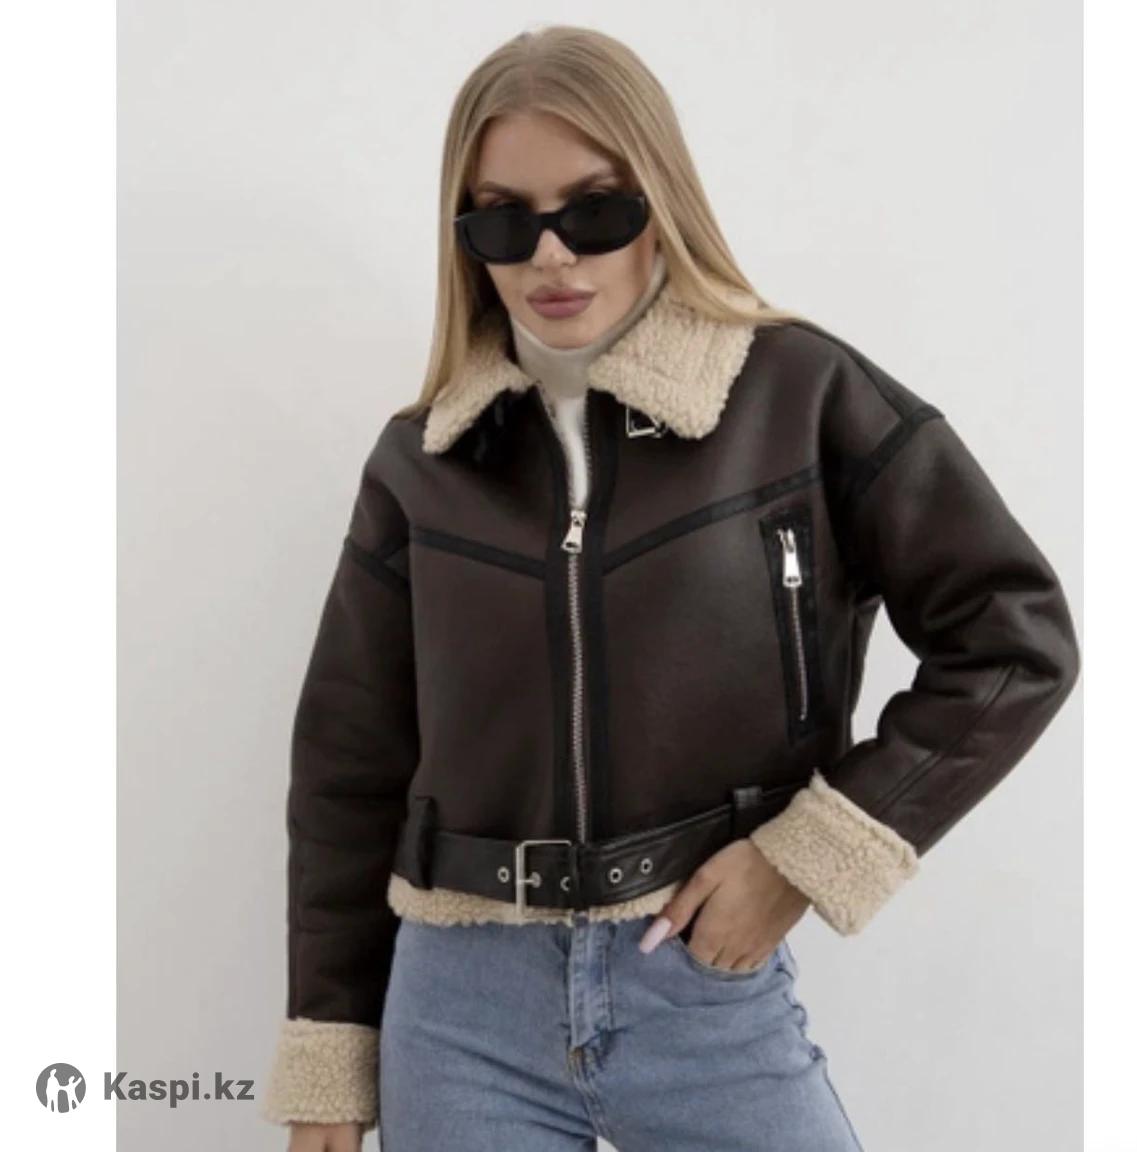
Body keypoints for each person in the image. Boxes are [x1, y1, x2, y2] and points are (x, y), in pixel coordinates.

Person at [261, 24, 1081, 1152]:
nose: (552, 256)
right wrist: (330, 1058)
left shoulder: (799, 395)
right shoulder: (424, 461)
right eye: (504, 219)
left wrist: (804, 858)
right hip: (459, 1014)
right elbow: (348, 770)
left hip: (698, 980)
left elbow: (1013, 639)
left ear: (662, 200)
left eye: (595, 209)